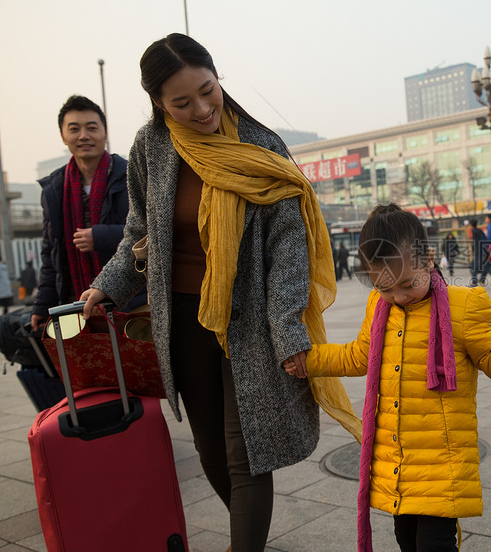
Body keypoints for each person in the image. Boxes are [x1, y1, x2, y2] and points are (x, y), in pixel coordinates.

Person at [80, 33, 358, 552]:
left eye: (208, 90)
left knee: (245, 450)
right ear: (159, 104)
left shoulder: (260, 144)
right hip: (183, 318)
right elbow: (139, 233)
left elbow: (288, 246)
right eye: (181, 103)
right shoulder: (152, 146)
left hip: (248, 317)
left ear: (217, 77)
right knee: (210, 448)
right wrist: (106, 285)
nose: (203, 108)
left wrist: (287, 327)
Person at [282, 204, 491, 552]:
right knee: (406, 541)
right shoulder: (379, 307)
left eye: (406, 284)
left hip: (442, 461)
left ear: (428, 259)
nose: (397, 297)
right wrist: (310, 360)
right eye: (384, 288)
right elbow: (359, 355)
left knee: (434, 544)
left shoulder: (464, 305)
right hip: (396, 463)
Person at [31, 95, 146, 331]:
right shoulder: (54, 188)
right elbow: (51, 253)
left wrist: (101, 236)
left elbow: (148, 233)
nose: (83, 135)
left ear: (105, 133)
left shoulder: (129, 175)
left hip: (131, 303)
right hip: (76, 305)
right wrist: (43, 306)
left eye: (91, 128)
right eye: (74, 129)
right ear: (63, 136)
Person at [469, 220, 491, 287]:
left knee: (473, 266)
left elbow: (475, 243)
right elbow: (486, 240)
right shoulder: (480, 231)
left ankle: (474, 282)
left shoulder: (474, 232)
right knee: (486, 266)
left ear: (471, 225)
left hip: (479, 252)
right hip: (484, 251)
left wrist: (474, 251)